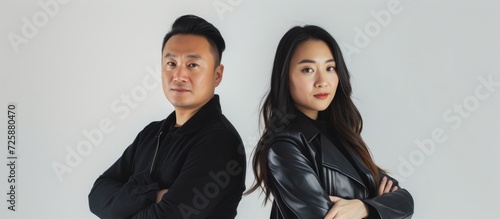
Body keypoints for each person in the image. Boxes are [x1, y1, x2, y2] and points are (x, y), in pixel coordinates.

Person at [246, 25, 414, 219]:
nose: (322, 81)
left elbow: (405, 201)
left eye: (330, 68)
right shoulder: (284, 145)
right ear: (285, 77)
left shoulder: (341, 134)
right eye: (308, 69)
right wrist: (380, 207)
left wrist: (363, 208)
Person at [88, 15, 246, 219]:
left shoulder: (220, 142)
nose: (179, 76)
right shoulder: (152, 133)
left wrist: (124, 205)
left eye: (192, 65)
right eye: (171, 63)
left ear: (217, 75)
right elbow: (97, 195)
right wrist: (153, 195)